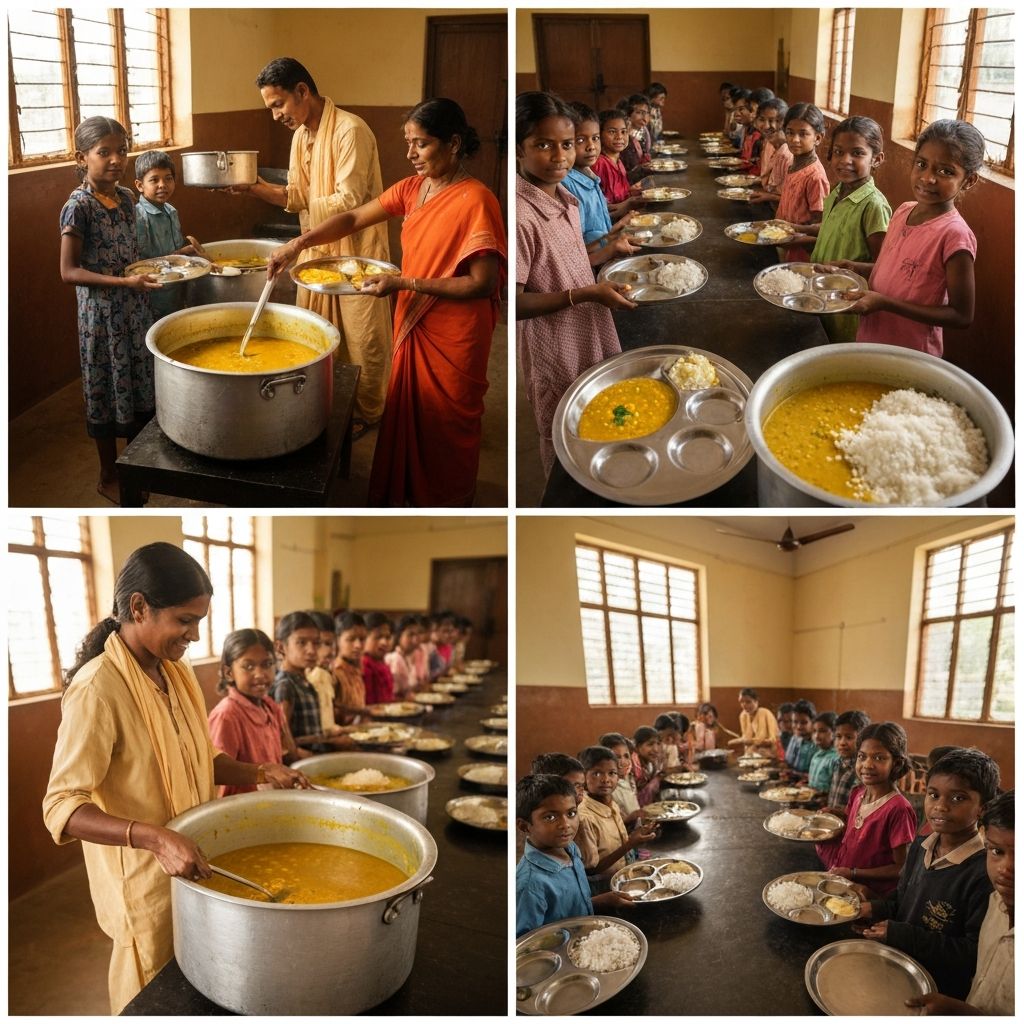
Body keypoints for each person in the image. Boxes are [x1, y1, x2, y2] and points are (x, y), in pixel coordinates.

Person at [42, 543, 308, 1013]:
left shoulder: (176, 672)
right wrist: (155, 839)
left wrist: (260, 770)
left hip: (195, 860)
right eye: (185, 621)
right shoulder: (97, 689)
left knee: (196, 988)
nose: (194, 634)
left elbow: (202, 758)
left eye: (200, 622)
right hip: (145, 882)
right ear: (139, 607)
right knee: (152, 997)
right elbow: (61, 806)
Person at [266, 96, 504, 506]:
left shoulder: (476, 200)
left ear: (453, 143)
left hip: (455, 331)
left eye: (422, 144)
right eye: (408, 142)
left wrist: (403, 283)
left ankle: (446, 500)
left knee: (448, 420)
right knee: (412, 409)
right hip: (415, 316)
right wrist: (298, 243)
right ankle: (407, 492)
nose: (411, 154)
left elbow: (481, 284)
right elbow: (354, 218)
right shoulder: (414, 189)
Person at [241, 57, 392, 431]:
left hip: (355, 251)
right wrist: (256, 188)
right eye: (270, 108)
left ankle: (367, 413)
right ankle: (329, 403)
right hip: (316, 246)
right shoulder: (300, 136)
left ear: (302, 91)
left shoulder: (349, 130)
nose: (275, 115)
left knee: (362, 336)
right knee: (319, 331)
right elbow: (299, 195)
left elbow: (349, 201)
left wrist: (298, 235)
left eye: (278, 104)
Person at [515, 92, 634, 473]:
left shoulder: (566, 196)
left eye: (566, 145)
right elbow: (513, 302)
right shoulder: (521, 216)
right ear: (519, 150)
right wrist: (585, 293)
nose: (559, 156)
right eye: (543, 145)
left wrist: (606, 254)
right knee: (564, 430)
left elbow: (571, 261)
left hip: (589, 326)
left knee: (598, 412)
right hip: (554, 342)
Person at [58, 116, 161, 505]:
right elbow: (69, 272)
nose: (116, 159)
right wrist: (123, 283)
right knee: (105, 389)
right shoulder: (77, 207)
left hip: (134, 309)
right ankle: (107, 473)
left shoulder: (128, 199)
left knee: (137, 385)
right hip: (101, 319)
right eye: (104, 152)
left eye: (122, 150)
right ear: (82, 157)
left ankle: (133, 468)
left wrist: (157, 268)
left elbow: (130, 254)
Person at [856, 748, 999, 999]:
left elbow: (972, 953)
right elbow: (903, 901)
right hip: (895, 965)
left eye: (958, 798)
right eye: (933, 795)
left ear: (983, 809)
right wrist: (874, 909)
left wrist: (900, 934)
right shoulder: (921, 845)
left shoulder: (984, 873)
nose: (940, 807)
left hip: (933, 991)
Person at [835, 119, 981, 357]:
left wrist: (885, 303)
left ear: (968, 180)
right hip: (872, 336)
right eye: (921, 164)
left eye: (946, 171)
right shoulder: (903, 211)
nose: (927, 178)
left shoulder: (954, 235)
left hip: (910, 350)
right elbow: (898, 270)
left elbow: (962, 315)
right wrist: (855, 267)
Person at [906, 790, 1014, 1015]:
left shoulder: (978, 881)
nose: (1005, 869)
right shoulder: (997, 902)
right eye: (996, 851)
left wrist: (962, 1013)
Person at [787, 116, 891, 344]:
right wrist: (797, 230)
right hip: (820, 291)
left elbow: (884, 268)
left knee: (836, 347)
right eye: (838, 152)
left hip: (846, 303)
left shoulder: (874, 205)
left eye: (857, 153)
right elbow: (832, 228)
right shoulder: (837, 191)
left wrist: (851, 268)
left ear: (877, 159)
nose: (845, 160)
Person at [516, 774, 634, 936]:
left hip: (587, 938)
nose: (565, 825)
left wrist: (601, 901)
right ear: (524, 826)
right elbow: (525, 945)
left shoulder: (570, 849)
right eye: (550, 817)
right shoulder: (530, 884)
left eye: (571, 813)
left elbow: (565, 910)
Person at [816, 722, 918, 896]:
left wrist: (853, 872)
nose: (867, 765)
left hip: (869, 893)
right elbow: (855, 822)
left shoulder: (898, 809)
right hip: (844, 880)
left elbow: (900, 868)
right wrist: (836, 813)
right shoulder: (858, 792)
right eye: (862, 756)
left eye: (879, 758)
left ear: (896, 762)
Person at [207, 629, 308, 796]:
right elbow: (216, 771)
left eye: (267, 664)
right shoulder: (227, 715)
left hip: (270, 801)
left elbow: (285, 753)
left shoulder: (270, 707)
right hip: (239, 810)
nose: (260, 674)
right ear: (229, 673)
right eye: (248, 666)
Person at [562, 101, 639, 266]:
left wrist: (616, 230)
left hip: (605, 257)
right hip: (592, 270)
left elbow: (597, 226)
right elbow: (575, 254)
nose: (591, 147)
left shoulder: (590, 176)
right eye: (580, 140)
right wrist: (610, 245)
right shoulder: (566, 186)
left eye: (594, 138)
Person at [575, 746, 657, 879]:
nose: (606, 779)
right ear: (583, 777)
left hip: (624, 875)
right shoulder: (585, 818)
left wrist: (638, 833)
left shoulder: (611, 803)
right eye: (597, 773)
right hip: (603, 888)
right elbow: (590, 870)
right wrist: (630, 843)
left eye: (612, 773)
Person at [132, 150, 196, 319]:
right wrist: (179, 255)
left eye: (168, 178)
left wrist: (185, 251)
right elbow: (142, 261)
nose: (163, 185)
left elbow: (174, 251)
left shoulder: (171, 211)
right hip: (152, 294)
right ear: (139, 185)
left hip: (174, 288)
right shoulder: (139, 216)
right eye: (154, 180)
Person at [774, 103, 830, 263]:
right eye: (790, 133)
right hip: (784, 242)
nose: (794, 139)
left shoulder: (815, 176)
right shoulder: (793, 164)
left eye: (803, 134)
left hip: (802, 254)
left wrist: (787, 240)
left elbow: (819, 228)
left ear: (818, 138)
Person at [271, 611, 328, 752]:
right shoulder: (285, 685)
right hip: (302, 762)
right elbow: (282, 737)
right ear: (281, 647)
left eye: (316, 643)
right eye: (301, 643)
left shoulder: (304, 681)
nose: (311, 650)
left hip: (316, 756)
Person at [824, 710, 870, 817]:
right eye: (838, 736)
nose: (842, 743)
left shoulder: (864, 770)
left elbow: (863, 808)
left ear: (863, 740)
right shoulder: (837, 763)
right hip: (832, 823)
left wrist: (839, 812)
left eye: (849, 737)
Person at [599, 732, 643, 830]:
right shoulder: (605, 787)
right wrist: (630, 818)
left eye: (626, 756)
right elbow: (607, 826)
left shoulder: (628, 779)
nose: (623, 761)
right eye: (617, 757)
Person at [332, 611, 367, 721]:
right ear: (337, 640)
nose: (358, 645)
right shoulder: (335, 672)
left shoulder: (358, 669)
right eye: (351, 639)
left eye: (362, 639)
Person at [727, 687, 779, 753]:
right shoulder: (743, 715)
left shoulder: (765, 713)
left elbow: (773, 740)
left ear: (756, 701)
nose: (744, 705)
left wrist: (751, 741)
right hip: (750, 755)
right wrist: (736, 741)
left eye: (748, 702)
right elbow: (745, 738)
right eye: (741, 702)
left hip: (768, 754)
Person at [361, 612, 396, 704]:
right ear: (364, 638)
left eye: (387, 637)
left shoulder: (382, 663)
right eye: (378, 637)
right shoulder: (364, 665)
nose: (384, 642)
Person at [386, 614, 421, 698]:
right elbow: (395, 693)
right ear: (399, 636)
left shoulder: (409, 656)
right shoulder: (395, 659)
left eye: (417, 634)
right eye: (410, 635)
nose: (415, 639)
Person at [806, 711, 840, 793]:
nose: (816, 735)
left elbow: (833, 791)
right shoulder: (816, 755)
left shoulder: (836, 759)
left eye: (822, 731)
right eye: (814, 731)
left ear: (834, 733)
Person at [782, 699, 817, 776]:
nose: (798, 727)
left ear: (813, 722)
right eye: (795, 722)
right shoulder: (794, 738)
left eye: (804, 722)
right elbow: (788, 763)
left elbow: (815, 776)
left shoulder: (817, 744)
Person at [632, 726, 665, 807]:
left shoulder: (650, 763)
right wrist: (657, 779)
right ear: (637, 747)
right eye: (650, 744)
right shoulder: (633, 768)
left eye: (658, 744)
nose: (656, 749)